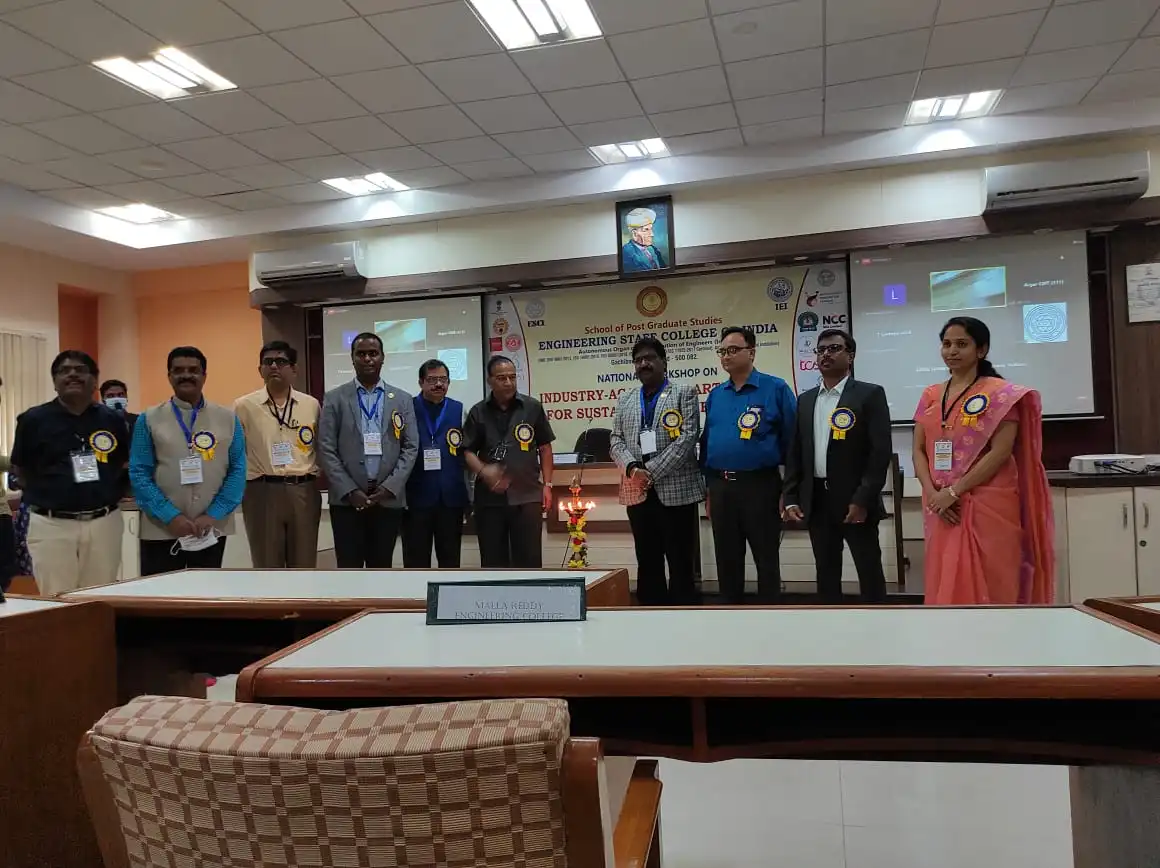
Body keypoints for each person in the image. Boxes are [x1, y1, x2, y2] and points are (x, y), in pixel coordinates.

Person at [913, 316, 1054, 604]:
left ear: (981, 349)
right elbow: (918, 450)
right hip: (939, 504)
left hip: (987, 502)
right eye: (946, 344)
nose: (952, 351)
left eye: (961, 344)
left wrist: (954, 492)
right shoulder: (931, 394)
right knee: (945, 577)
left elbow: (1001, 452)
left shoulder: (1000, 394)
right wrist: (934, 495)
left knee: (993, 580)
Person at [783, 329, 892, 604]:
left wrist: (862, 499)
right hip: (817, 500)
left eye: (833, 349)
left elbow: (879, 453)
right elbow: (796, 452)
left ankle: (879, 622)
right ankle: (829, 623)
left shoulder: (869, 394)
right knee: (826, 572)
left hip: (855, 500)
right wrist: (791, 496)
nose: (826, 355)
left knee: (868, 569)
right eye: (821, 350)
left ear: (850, 356)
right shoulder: (806, 400)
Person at [10, 350, 129, 595]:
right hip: (52, 524)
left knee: (100, 596)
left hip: (104, 522)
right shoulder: (33, 420)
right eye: (64, 371)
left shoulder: (113, 420)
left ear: (94, 381)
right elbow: (21, 470)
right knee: (57, 597)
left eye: (80, 370)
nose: (73, 374)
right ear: (55, 382)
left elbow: (122, 464)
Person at [129, 346, 247, 575]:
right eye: (178, 370)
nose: (186, 375)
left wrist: (213, 514)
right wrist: (170, 517)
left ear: (204, 375)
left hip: (210, 528)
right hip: (161, 528)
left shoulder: (228, 419)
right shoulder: (149, 419)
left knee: (205, 591)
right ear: (169, 376)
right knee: (161, 592)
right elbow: (139, 473)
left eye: (193, 370)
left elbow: (238, 470)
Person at [700, 326, 796, 604]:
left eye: (733, 350)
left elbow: (794, 443)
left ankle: (770, 617)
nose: (726, 356)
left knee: (766, 558)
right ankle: (730, 616)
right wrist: (709, 490)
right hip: (721, 487)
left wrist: (788, 491)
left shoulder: (775, 388)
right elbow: (708, 443)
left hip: (760, 486)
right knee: (727, 560)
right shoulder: (716, 395)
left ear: (751, 353)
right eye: (722, 351)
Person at [609, 337, 703, 605]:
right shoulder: (626, 398)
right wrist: (632, 470)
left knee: (681, 561)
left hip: (676, 492)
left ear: (663, 362)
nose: (644, 364)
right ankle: (649, 615)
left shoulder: (684, 392)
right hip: (636, 492)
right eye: (638, 360)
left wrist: (649, 472)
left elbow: (688, 437)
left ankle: (684, 617)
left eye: (649, 358)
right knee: (647, 560)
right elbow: (615, 440)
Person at [318, 332, 418, 568]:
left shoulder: (402, 399)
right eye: (361, 354)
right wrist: (349, 490)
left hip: (387, 500)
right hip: (347, 502)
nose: (367, 359)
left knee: (381, 567)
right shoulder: (334, 398)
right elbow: (326, 447)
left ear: (383, 357)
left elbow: (411, 446)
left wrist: (389, 487)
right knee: (349, 567)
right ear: (352, 358)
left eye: (373, 353)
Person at [234, 341, 322, 568]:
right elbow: (235, 454)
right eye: (268, 362)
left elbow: (321, 447)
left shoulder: (311, 405)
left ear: (294, 369)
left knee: (304, 564)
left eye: (281, 361)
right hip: (261, 491)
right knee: (266, 565)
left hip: (303, 490)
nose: (274, 366)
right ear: (260, 370)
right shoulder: (243, 406)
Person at [463, 356, 555, 568]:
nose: (508, 383)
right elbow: (466, 451)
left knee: (530, 561)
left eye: (512, 377)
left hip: (527, 495)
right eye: (502, 378)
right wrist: (484, 470)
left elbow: (545, 447)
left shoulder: (532, 407)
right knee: (493, 563)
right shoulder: (478, 411)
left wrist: (548, 485)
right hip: (490, 501)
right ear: (490, 381)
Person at [402, 359, 469, 568]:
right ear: (420, 382)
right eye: (432, 380)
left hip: (451, 499)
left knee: (450, 562)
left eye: (443, 379)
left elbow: (467, 452)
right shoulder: (407, 408)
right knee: (415, 562)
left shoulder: (459, 409)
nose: (439, 384)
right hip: (415, 499)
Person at [621, 207, 668, 273]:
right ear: (634, 234)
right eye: (646, 230)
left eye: (651, 229)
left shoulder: (653, 249)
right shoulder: (626, 252)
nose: (652, 234)